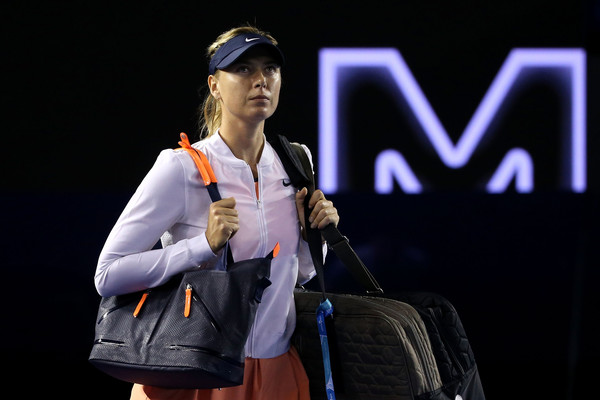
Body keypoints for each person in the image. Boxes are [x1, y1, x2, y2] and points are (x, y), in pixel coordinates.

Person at [94, 24, 340, 400]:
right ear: (214, 86)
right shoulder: (181, 168)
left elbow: (298, 275)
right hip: (195, 372)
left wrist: (314, 236)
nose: (260, 80)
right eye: (243, 69)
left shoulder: (296, 161)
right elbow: (108, 275)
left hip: (278, 372)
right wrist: (201, 246)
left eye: (270, 69)